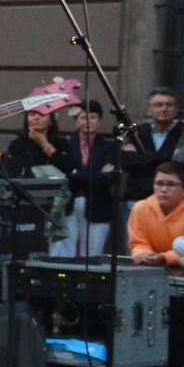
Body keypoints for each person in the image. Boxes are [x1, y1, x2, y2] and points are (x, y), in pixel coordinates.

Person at [51, 100, 118, 259]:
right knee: (65, 253)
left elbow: (105, 180)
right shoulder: (65, 144)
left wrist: (76, 173)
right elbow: (64, 175)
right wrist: (95, 174)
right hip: (69, 204)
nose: (88, 122)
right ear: (76, 121)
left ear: (100, 121)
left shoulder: (109, 147)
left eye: (93, 117)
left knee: (92, 255)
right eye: (83, 117)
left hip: (97, 205)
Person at [120, 87, 181, 217]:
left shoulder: (181, 134)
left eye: (169, 105)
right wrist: (165, 156)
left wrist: (142, 160)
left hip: (175, 208)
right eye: (158, 105)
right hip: (138, 203)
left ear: (176, 110)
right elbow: (127, 162)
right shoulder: (137, 133)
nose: (164, 109)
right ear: (149, 110)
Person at [127, 161, 184, 268]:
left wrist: (164, 258)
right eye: (159, 183)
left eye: (171, 184)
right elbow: (138, 243)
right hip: (151, 268)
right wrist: (144, 255)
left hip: (180, 266)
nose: (164, 189)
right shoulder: (141, 208)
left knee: (178, 244)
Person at [2, 106, 69, 178]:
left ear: (51, 119)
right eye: (32, 114)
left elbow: (68, 169)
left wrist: (44, 144)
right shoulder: (17, 144)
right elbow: (13, 174)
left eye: (42, 114)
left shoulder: (62, 143)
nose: (36, 118)